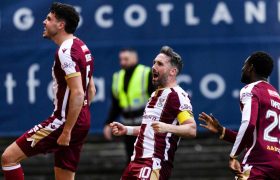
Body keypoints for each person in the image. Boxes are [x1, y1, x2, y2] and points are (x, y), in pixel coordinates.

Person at [1, 2, 96, 180]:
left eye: (49, 19)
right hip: (80, 120)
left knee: (8, 157)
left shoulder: (65, 51)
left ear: (61, 25)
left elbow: (78, 93)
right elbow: (91, 88)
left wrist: (67, 130)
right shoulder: (82, 46)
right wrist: (80, 116)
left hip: (64, 121)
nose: (44, 22)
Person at [110, 46, 196, 180]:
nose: (154, 67)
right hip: (135, 161)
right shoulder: (155, 94)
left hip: (154, 163)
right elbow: (150, 128)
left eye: (160, 64)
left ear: (173, 71)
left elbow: (191, 129)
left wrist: (167, 127)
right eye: (154, 62)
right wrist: (126, 129)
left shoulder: (177, 95)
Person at [199, 52, 280, 180]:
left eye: (245, 64)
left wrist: (233, 155)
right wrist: (222, 131)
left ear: (251, 67)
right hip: (277, 163)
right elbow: (255, 138)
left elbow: (249, 124)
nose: (242, 68)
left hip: (258, 163)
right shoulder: (276, 96)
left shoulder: (250, 89)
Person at [103, 48, 155, 163]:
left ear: (134, 58)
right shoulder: (117, 77)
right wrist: (108, 123)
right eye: (121, 59)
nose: (122, 62)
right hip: (127, 127)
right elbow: (116, 104)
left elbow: (157, 100)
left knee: (147, 160)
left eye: (126, 59)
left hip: (145, 126)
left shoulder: (146, 74)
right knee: (131, 160)